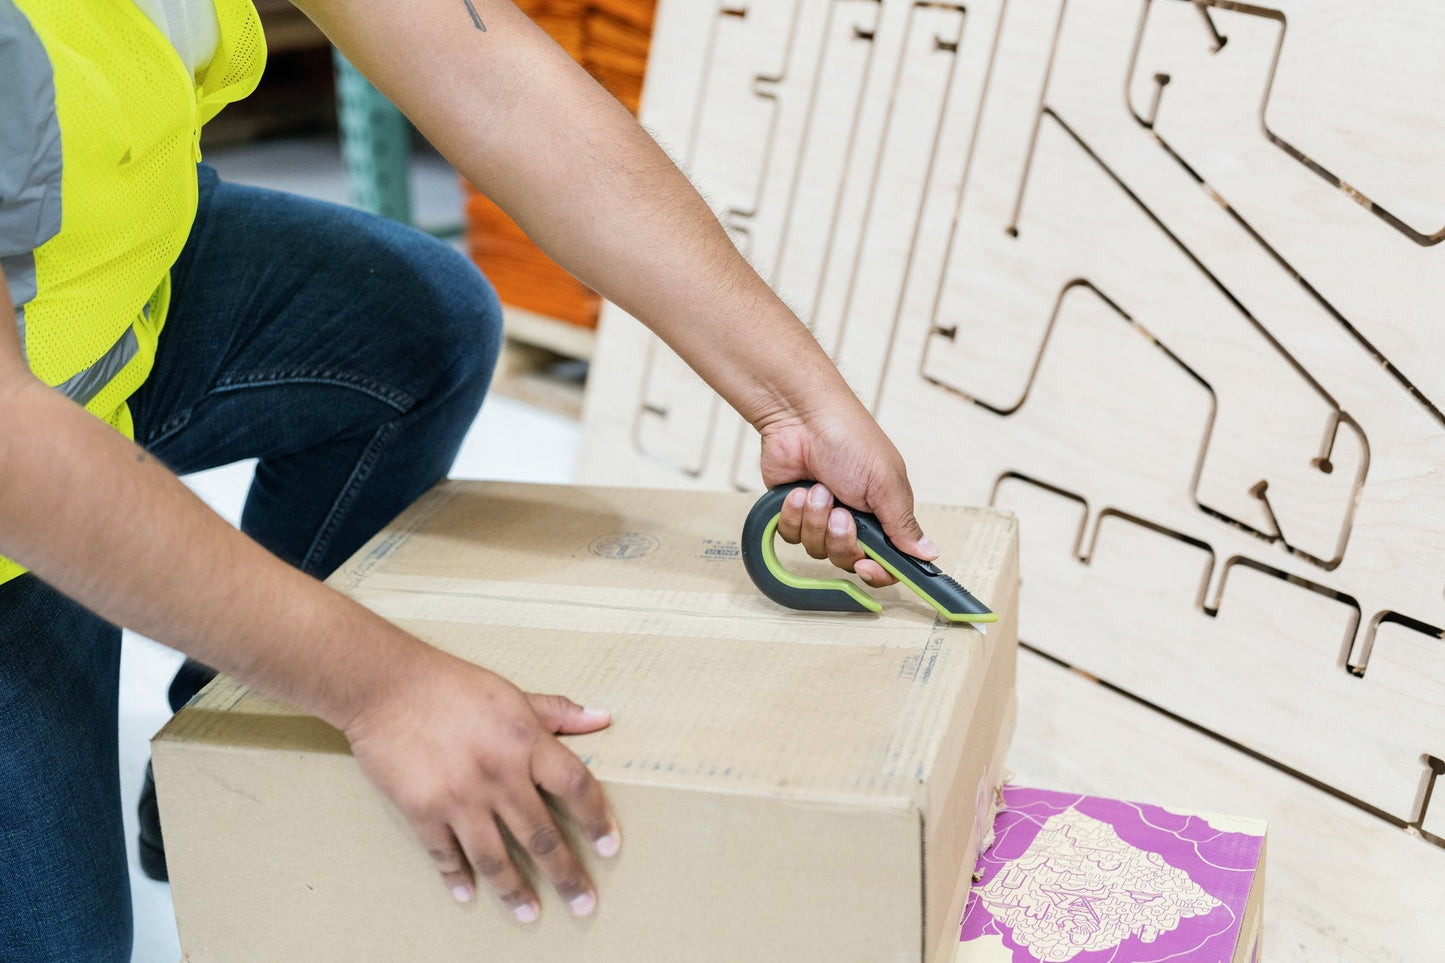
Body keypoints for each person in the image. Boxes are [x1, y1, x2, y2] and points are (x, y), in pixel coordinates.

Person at [0, 0, 939, 959]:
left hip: (95, 283)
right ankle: (244, 742)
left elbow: (484, 72)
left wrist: (795, 399)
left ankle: (222, 745)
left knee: (413, 324)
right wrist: (381, 686)